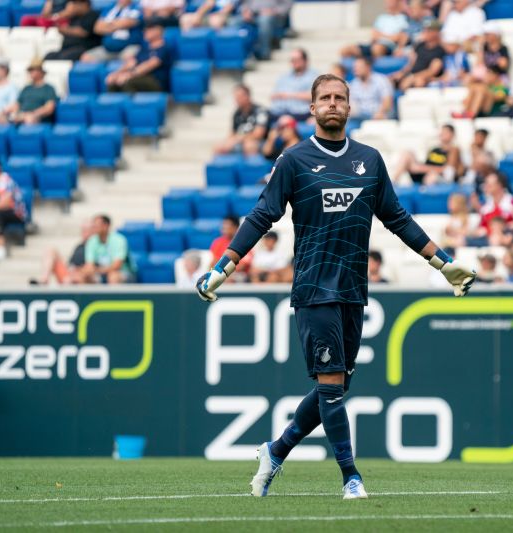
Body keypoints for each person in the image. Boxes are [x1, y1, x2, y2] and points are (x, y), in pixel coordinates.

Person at [194, 73, 476, 500]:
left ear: (349, 106)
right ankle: (351, 477)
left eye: (339, 97)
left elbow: (396, 218)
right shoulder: (293, 160)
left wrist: (442, 262)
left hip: (353, 290)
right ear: (312, 108)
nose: (332, 103)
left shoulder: (370, 160)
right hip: (313, 288)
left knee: (336, 387)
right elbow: (260, 216)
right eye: (324, 98)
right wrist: (224, 266)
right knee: (330, 384)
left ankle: (275, 451)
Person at [106, 21, 171, 93]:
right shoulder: (144, 48)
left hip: (155, 81)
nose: (145, 32)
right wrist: (116, 74)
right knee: (113, 82)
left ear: (158, 31)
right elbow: (131, 62)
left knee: (128, 82)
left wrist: (130, 75)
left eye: (148, 29)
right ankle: (115, 104)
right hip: (139, 77)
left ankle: (131, 104)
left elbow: (150, 65)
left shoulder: (164, 48)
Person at [392, 124, 464, 184]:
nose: (442, 134)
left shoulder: (454, 149)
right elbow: (427, 163)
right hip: (424, 173)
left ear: (452, 135)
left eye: (445, 132)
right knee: (407, 153)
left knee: (432, 176)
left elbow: (449, 170)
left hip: (436, 177)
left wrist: (420, 168)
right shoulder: (434, 149)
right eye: (441, 131)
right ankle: (393, 183)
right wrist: (419, 168)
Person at [32, 220, 95, 285]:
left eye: (86, 230)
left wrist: (79, 271)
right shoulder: (79, 246)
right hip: (70, 275)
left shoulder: (97, 247)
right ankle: (44, 279)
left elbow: (93, 269)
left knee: (76, 278)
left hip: (84, 277)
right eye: (82, 230)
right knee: (50, 251)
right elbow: (70, 264)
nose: (83, 233)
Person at [391, 18, 446, 91]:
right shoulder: (420, 45)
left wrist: (412, 77)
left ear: (436, 32)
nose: (425, 32)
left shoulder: (440, 50)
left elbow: (432, 71)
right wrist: (402, 73)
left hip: (423, 78)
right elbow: (412, 63)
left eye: (428, 31)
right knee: (390, 79)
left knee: (419, 82)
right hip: (412, 75)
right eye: (424, 30)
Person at [340, 0, 408, 59]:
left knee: (377, 49)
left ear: (398, 2)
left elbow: (400, 37)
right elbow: (374, 35)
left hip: (389, 47)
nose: (387, 2)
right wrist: (390, 36)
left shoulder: (403, 18)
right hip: (374, 45)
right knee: (345, 50)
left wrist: (381, 35)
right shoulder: (381, 17)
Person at [213, 84, 270, 155]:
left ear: (247, 96)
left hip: (259, 142)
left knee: (249, 145)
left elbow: (258, 134)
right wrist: (228, 142)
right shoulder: (237, 113)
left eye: (239, 97)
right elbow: (232, 133)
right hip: (240, 141)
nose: (236, 99)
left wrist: (238, 139)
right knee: (219, 146)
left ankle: (251, 165)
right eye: (235, 97)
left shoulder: (260, 111)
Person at [83, 214, 135, 284]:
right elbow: (89, 264)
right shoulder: (92, 241)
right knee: (84, 276)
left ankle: (115, 295)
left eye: (97, 226)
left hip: (124, 272)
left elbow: (116, 266)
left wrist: (97, 270)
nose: (94, 228)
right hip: (101, 272)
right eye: (93, 226)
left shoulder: (119, 240)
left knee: (113, 276)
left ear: (106, 226)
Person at [271, 48, 319, 122]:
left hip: (302, 113)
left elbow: (315, 96)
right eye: (292, 60)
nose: (294, 62)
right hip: (282, 112)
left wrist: (288, 95)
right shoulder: (284, 77)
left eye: (297, 60)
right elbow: (274, 96)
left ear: (305, 61)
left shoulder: (313, 76)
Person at [9, 59, 58, 125]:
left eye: (33, 70)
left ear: (41, 72)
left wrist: (33, 114)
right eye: (30, 70)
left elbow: (49, 108)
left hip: (39, 119)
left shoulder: (49, 89)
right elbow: (17, 104)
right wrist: (15, 113)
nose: (30, 73)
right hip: (23, 115)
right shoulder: (26, 88)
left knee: (29, 119)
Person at [348, 57, 394, 122]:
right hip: (359, 117)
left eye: (359, 67)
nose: (355, 70)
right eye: (355, 67)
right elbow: (351, 105)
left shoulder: (381, 80)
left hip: (379, 115)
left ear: (368, 67)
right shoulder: (353, 84)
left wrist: (380, 113)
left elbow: (387, 102)